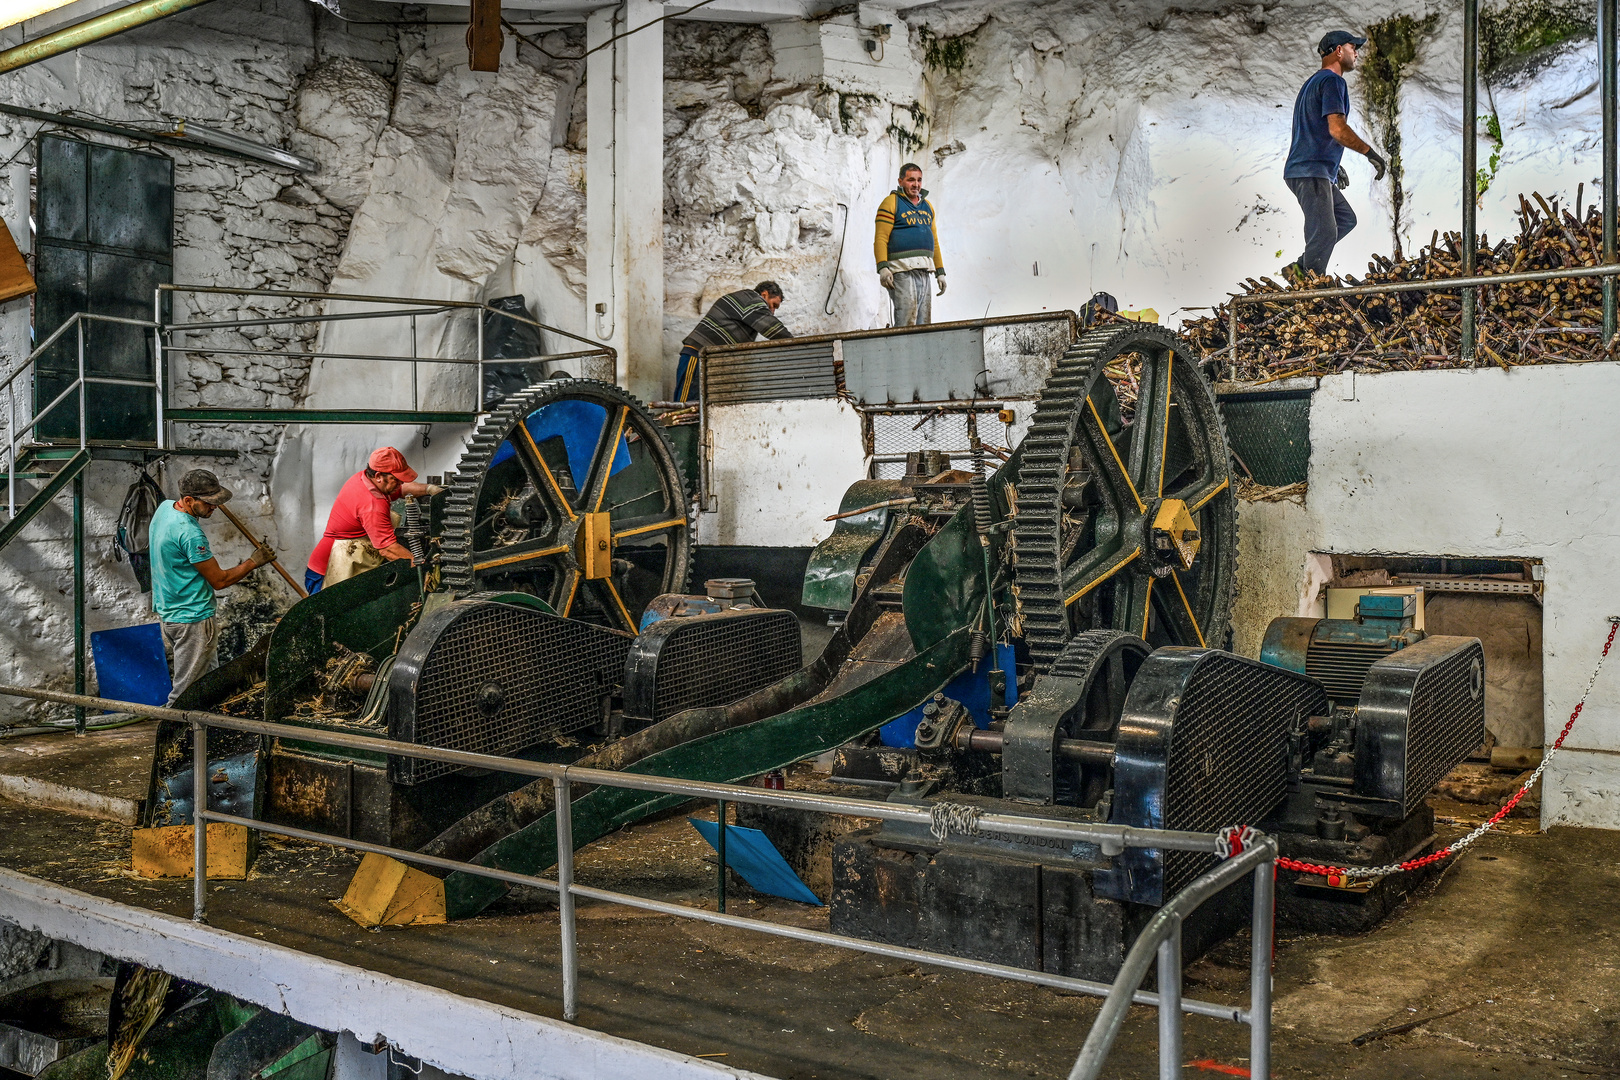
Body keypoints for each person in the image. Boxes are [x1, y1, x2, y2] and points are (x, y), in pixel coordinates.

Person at [148, 469, 275, 704]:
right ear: (188, 501)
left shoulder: (164, 509)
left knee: (209, 687)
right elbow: (220, 580)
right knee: (184, 695)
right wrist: (254, 562)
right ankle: (172, 736)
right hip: (192, 619)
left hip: (170, 614)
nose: (213, 508)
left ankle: (203, 737)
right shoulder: (190, 534)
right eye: (208, 503)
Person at [1283, 30, 1388, 279]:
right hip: (1310, 170)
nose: (1357, 54)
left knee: (1345, 219)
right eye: (1354, 48)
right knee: (1325, 232)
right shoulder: (1333, 82)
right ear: (1339, 50)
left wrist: (1334, 165)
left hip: (1312, 168)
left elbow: (1313, 129)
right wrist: (1370, 153)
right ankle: (1310, 283)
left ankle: (1298, 268)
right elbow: (1337, 128)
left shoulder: (1312, 83)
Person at [306, 447, 442, 593]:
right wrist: (423, 568)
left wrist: (429, 489)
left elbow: (401, 490)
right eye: (396, 479)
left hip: (349, 562)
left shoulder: (365, 479)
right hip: (328, 571)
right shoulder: (372, 504)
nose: (399, 483)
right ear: (378, 476)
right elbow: (387, 549)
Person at [674, 282, 793, 403]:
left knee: (697, 408)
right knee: (685, 406)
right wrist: (795, 344)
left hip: (706, 360)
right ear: (764, 294)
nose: (772, 311)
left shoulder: (746, 302)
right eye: (773, 305)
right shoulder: (752, 300)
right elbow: (773, 328)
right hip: (697, 356)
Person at [874, 163, 946, 326]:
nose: (916, 184)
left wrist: (940, 271)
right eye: (911, 180)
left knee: (923, 320)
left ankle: (921, 351)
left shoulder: (927, 207)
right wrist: (883, 268)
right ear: (900, 181)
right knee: (907, 316)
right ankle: (901, 351)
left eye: (919, 180)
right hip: (900, 269)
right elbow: (881, 237)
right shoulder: (891, 202)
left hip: (924, 269)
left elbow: (934, 240)